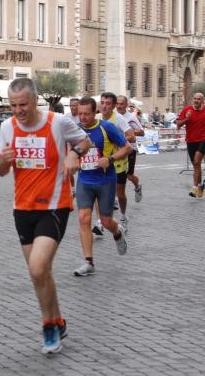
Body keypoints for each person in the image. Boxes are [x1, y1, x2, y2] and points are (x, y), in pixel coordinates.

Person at [0, 78, 91, 354]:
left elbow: (85, 142)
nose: (18, 110)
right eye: (13, 105)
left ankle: (48, 325)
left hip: (54, 206)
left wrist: (74, 155)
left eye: (23, 104)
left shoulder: (57, 122)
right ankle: (58, 319)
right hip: (22, 209)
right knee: (40, 273)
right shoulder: (7, 127)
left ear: (35, 100)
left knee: (37, 267)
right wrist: (4, 160)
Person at [72, 97, 132, 277]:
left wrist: (110, 159)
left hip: (105, 181)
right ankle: (88, 262)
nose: (82, 117)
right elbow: (70, 153)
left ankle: (118, 231)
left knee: (106, 222)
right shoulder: (75, 130)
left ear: (94, 112)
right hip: (85, 181)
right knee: (84, 218)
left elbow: (127, 148)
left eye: (86, 114)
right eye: (80, 114)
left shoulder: (106, 127)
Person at [93, 92, 135, 234]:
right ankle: (99, 222)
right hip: (101, 161)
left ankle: (123, 216)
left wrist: (116, 138)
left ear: (113, 106)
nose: (104, 106)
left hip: (118, 161)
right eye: (102, 102)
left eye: (108, 103)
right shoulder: (96, 118)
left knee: (120, 194)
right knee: (99, 191)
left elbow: (132, 137)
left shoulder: (118, 119)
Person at [177, 92, 205, 197]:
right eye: (195, 98)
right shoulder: (187, 110)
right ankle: (200, 187)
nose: (196, 100)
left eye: (199, 99)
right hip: (191, 141)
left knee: (197, 161)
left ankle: (193, 188)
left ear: (202, 101)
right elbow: (178, 125)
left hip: (203, 139)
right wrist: (186, 118)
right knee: (196, 166)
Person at [116, 95, 144, 203]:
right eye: (117, 104)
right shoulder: (113, 116)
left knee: (129, 175)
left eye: (121, 104)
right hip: (117, 149)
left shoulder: (131, 117)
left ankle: (137, 186)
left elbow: (141, 132)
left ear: (126, 105)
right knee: (115, 174)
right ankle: (114, 199)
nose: (119, 106)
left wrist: (126, 131)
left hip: (130, 149)